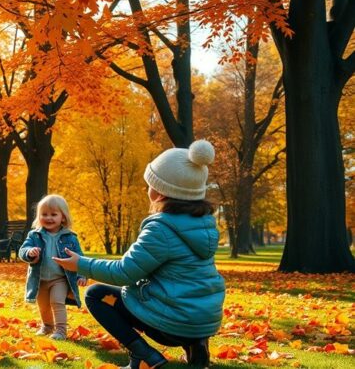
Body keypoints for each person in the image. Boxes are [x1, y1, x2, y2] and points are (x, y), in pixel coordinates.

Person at [53, 140, 225, 369]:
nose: (147, 188)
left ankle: (143, 354)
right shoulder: (204, 224)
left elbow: (125, 273)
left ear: (162, 191)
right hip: (203, 321)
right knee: (185, 291)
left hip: (173, 324)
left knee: (96, 294)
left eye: (150, 183)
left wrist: (81, 264)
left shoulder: (161, 229)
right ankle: (197, 347)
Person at [18, 194, 85, 341]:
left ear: (63, 217)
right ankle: (47, 326)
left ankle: (61, 330)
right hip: (40, 279)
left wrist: (82, 275)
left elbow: (80, 258)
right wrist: (29, 253)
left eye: (53, 214)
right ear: (39, 216)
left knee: (57, 301)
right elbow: (22, 251)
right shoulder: (34, 235)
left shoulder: (70, 237)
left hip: (60, 278)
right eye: (44, 214)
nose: (49, 218)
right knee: (44, 305)